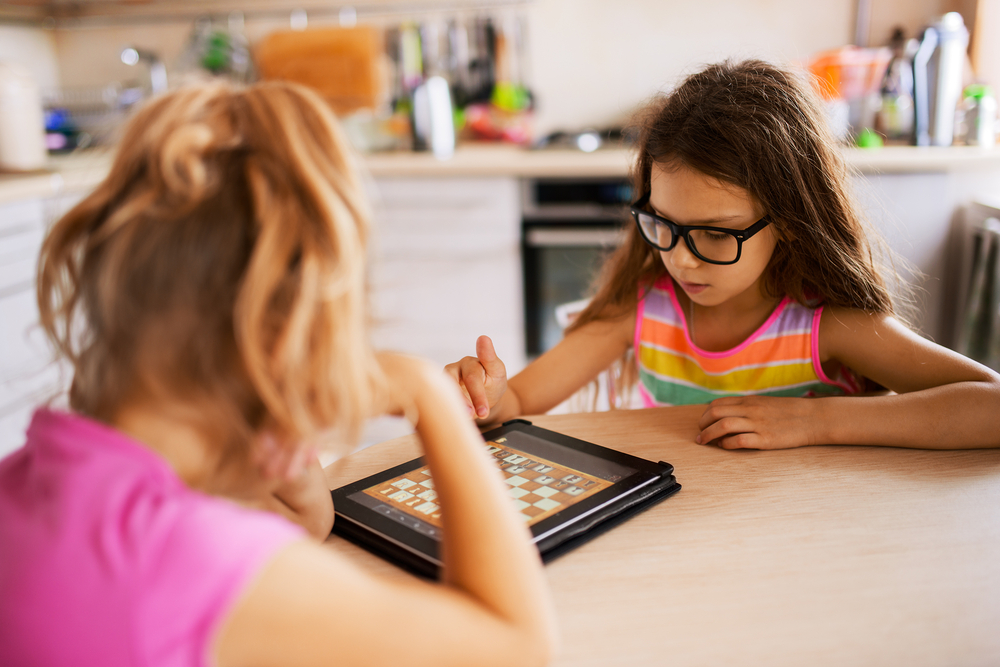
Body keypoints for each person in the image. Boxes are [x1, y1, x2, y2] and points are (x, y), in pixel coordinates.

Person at [0, 82, 556, 667]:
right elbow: (517, 645)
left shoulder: (39, 476)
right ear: (284, 341)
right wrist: (426, 395)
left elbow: (302, 521)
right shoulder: (185, 561)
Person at [448, 59, 1000, 451]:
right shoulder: (640, 309)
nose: (683, 260)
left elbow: (990, 405)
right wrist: (485, 397)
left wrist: (816, 419)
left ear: (787, 222)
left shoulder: (827, 325)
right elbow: (519, 398)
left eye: (716, 233)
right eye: (663, 224)